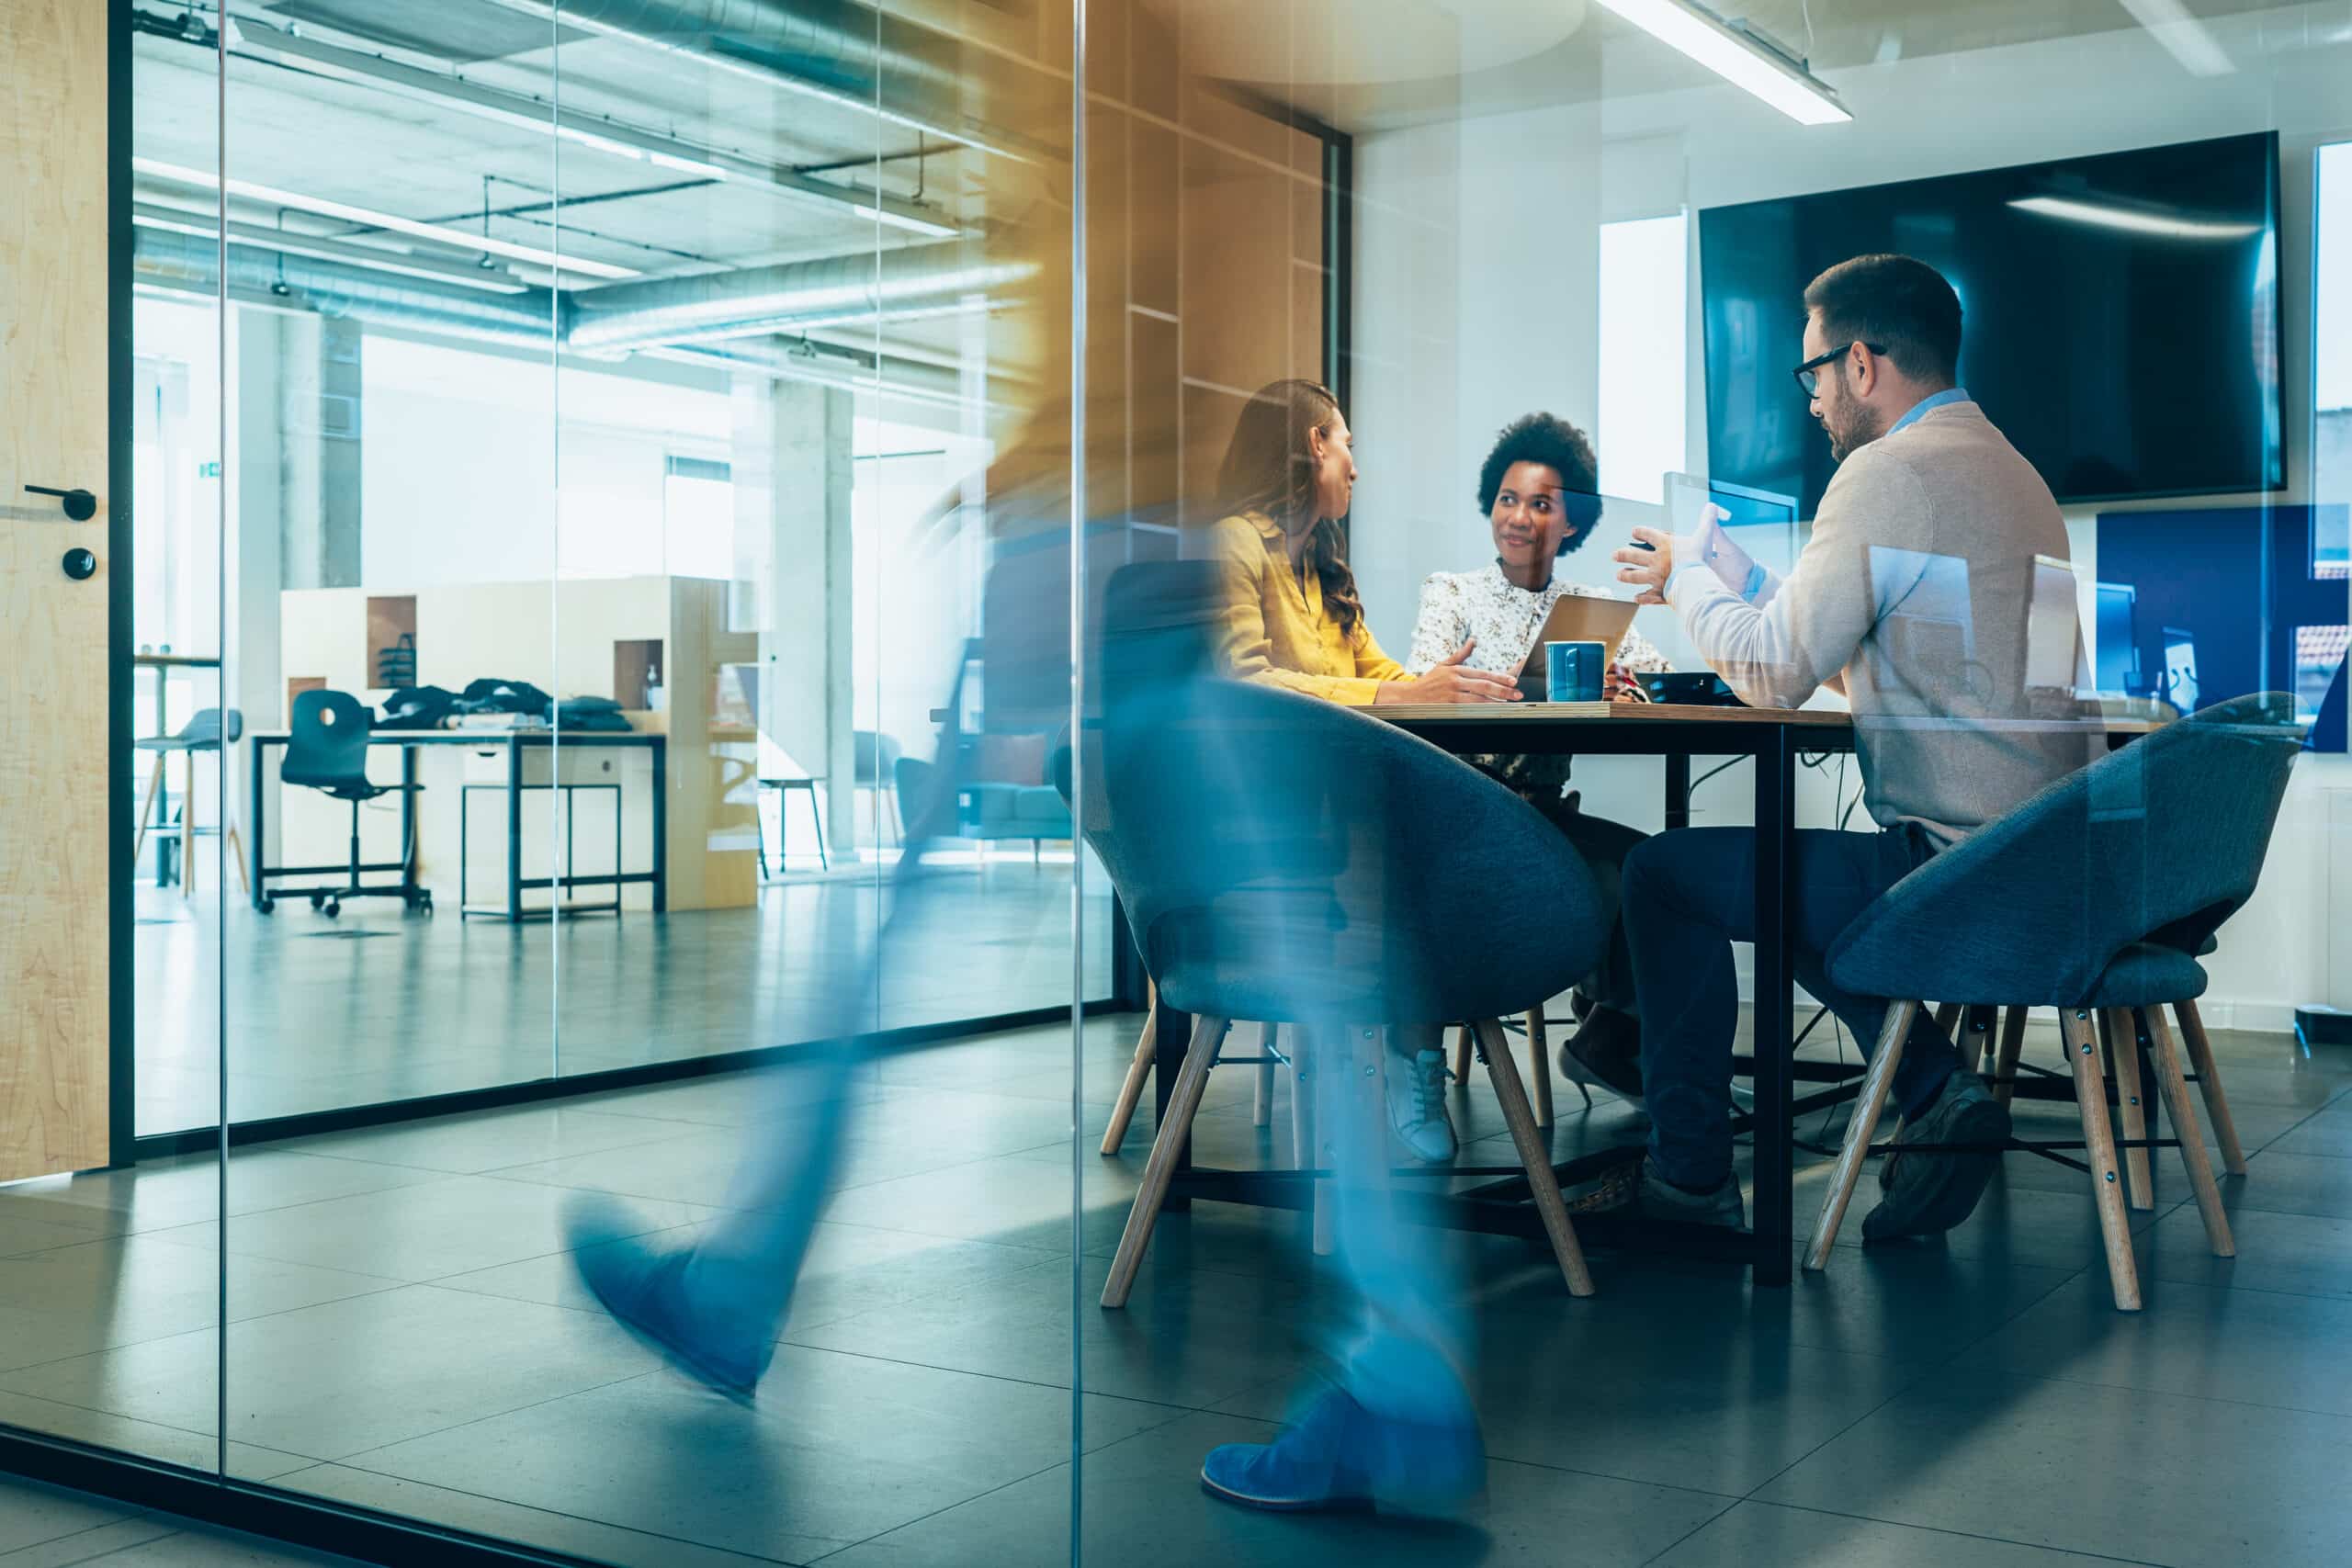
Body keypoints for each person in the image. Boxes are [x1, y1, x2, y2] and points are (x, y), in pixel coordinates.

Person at [1599, 253, 2089, 1240]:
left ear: (1861, 364)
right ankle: (1931, 1089)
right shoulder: (2015, 477)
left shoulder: (1886, 473)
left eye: (1813, 373)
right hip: (2042, 865)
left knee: (1662, 875)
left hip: (1948, 873)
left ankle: (1689, 1181)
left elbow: (1772, 676)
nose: (1813, 400)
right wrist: (1743, 584)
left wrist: (1687, 578)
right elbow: (1919, 660)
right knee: (1785, 879)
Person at [1204, 378, 1519, 1163]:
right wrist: (1395, 690)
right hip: (1275, 809)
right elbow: (1242, 681)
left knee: (1442, 834)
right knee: (1422, 845)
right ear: (1314, 443)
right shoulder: (1232, 544)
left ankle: (1407, 1054)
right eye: (1347, 443)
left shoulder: (1320, 561)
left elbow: (1378, 669)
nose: (1355, 466)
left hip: (1343, 795)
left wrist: (1450, 682)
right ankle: (1409, 1058)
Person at [1406, 412, 1667, 1110]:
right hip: (1462, 814)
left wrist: (1622, 685)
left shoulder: (1592, 609)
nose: (1520, 517)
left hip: (1545, 817)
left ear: (1571, 524)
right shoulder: (1451, 592)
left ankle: (1610, 1036)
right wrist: (1516, 688)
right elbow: (1418, 693)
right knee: (1620, 873)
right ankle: (1598, 1032)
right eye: (1508, 499)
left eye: (1542, 504)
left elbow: (1657, 678)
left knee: (1653, 869)